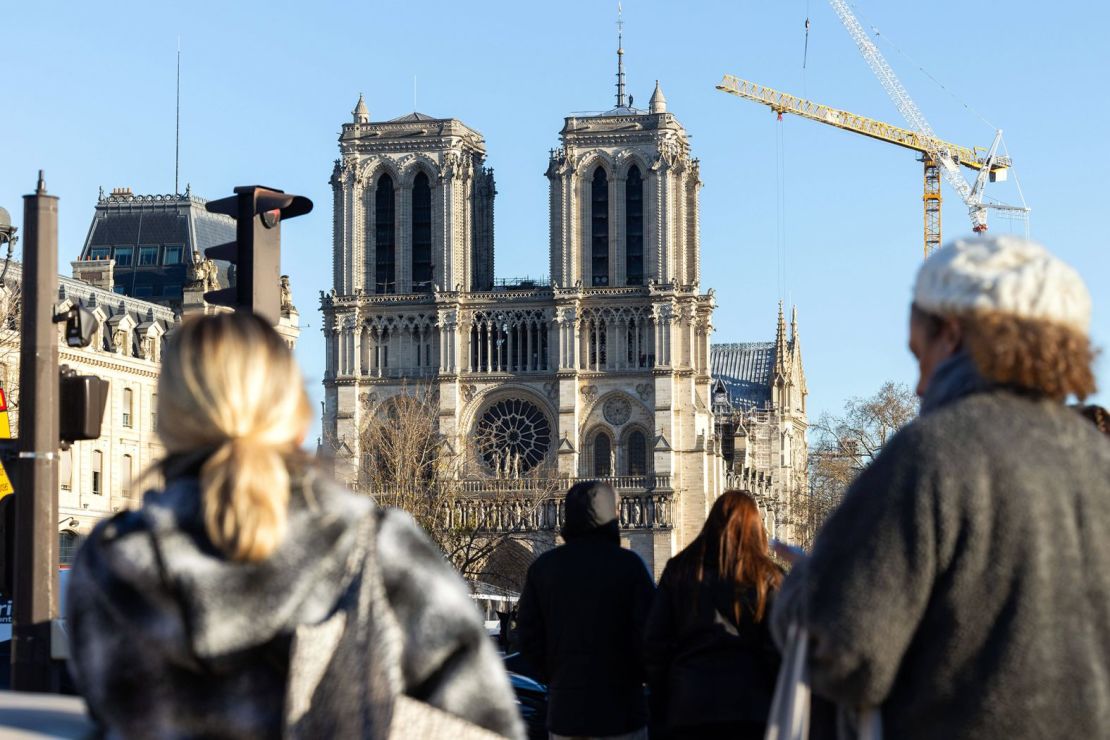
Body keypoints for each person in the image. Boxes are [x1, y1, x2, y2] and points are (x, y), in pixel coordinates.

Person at [66, 312, 524, 739]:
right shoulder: (377, 544)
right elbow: (485, 720)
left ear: (168, 417)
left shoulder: (113, 560)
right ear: (293, 408)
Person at [771, 235, 1110, 739]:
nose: (918, 386)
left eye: (918, 353)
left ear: (952, 336)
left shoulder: (930, 455)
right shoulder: (1097, 460)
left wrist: (809, 584)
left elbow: (842, 649)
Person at [515, 480, 655, 740]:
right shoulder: (630, 566)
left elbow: (527, 637)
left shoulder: (544, 568)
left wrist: (558, 677)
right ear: (612, 515)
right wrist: (636, 678)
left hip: (567, 710)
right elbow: (653, 635)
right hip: (622, 710)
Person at [643, 490, 782, 740]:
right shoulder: (768, 577)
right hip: (751, 708)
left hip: (689, 704)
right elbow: (778, 649)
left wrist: (666, 696)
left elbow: (655, 644)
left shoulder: (680, 570)